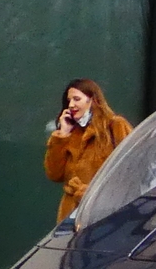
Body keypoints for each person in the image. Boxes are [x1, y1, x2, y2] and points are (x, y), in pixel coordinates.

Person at [44, 78, 132, 223]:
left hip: (104, 213)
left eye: (77, 99)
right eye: (69, 100)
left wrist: (92, 193)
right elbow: (54, 174)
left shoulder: (115, 126)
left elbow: (132, 169)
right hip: (70, 215)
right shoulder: (70, 133)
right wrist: (62, 135)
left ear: (92, 100)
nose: (71, 105)